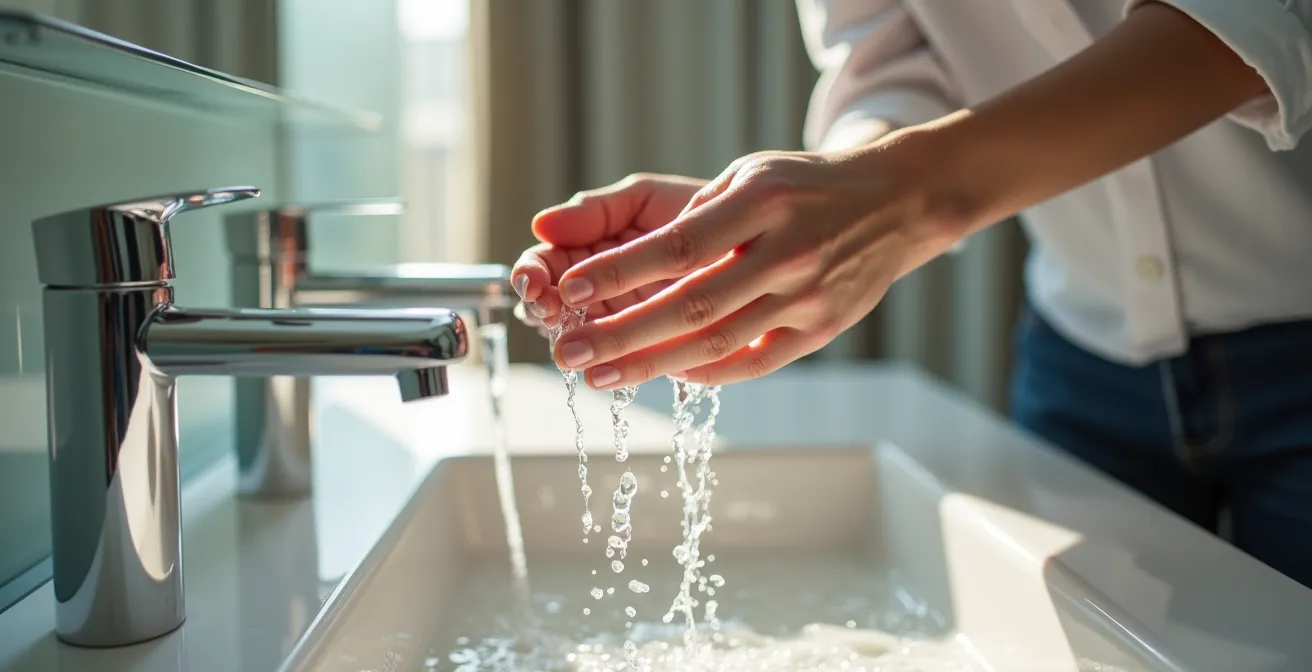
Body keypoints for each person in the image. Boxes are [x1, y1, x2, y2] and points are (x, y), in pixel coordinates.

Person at [509, 0, 1312, 588]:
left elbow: (1252, 27)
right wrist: (810, 207)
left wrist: (907, 198)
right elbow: (894, 60)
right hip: (1082, 359)